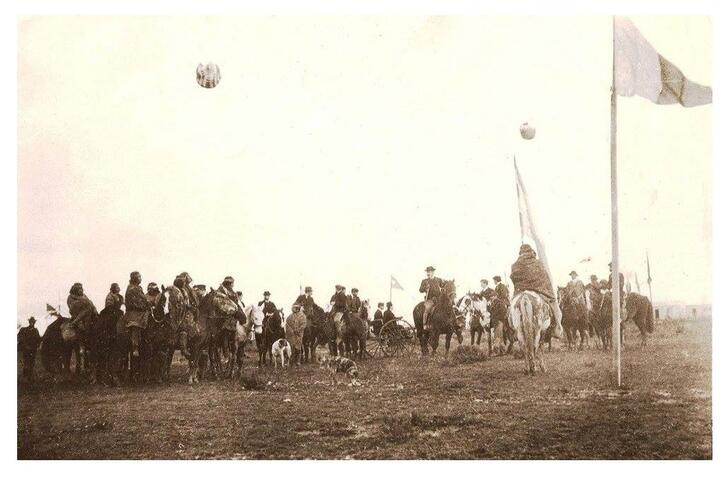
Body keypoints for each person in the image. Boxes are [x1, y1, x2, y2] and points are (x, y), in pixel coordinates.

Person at [509, 244, 563, 338]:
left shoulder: (515, 265)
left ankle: (512, 329)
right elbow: (545, 278)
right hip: (539, 289)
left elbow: (513, 278)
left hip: (521, 290)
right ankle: (557, 327)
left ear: (520, 253)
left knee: (510, 308)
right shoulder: (538, 263)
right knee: (553, 303)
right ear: (531, 252)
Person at [125, 271, 150, 357]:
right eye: (139, 277)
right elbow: (136, 302)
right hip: (134, 312)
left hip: (140, 310)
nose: (140, 278)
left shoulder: (138, 288)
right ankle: (135, 347)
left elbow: (143, 299)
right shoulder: (132, 289)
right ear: (135, 278)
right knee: (136, 325)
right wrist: (145, 305)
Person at [168, 275, 191, 358]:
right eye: (183, 282)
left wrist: (188, 306)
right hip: (175, 313)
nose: (185, 284)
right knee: (183, 328)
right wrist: (186, 306)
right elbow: (176, 303)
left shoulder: (183, 291)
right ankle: (183, 348)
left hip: (183, 313)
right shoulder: (174, 290)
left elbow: (185, 302)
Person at [419, 266, 445, 332]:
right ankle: (425, 324)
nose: (428, 273)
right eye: (427, 272)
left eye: (430, 272)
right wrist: (425, 288)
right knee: (427, 309)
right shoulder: (424, 281)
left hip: (438, 299)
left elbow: (444, 285)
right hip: (429, 299)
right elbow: (420, 290)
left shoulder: (438, 280)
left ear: (433, 272)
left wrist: (444, 283)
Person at [18, 317, 41, 382]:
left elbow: (38, 339)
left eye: (33, 322)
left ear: (34, 323)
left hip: (33, 350)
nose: (32, 323)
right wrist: (25, 346)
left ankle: (30, 377)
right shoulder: (24, 330)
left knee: (32, 362)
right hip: (26, 349)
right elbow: (20, 338)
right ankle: (25, 377)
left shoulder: (36, 330)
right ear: (29, 322)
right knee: (26, 362)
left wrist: (37, 345)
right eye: (31, 321)